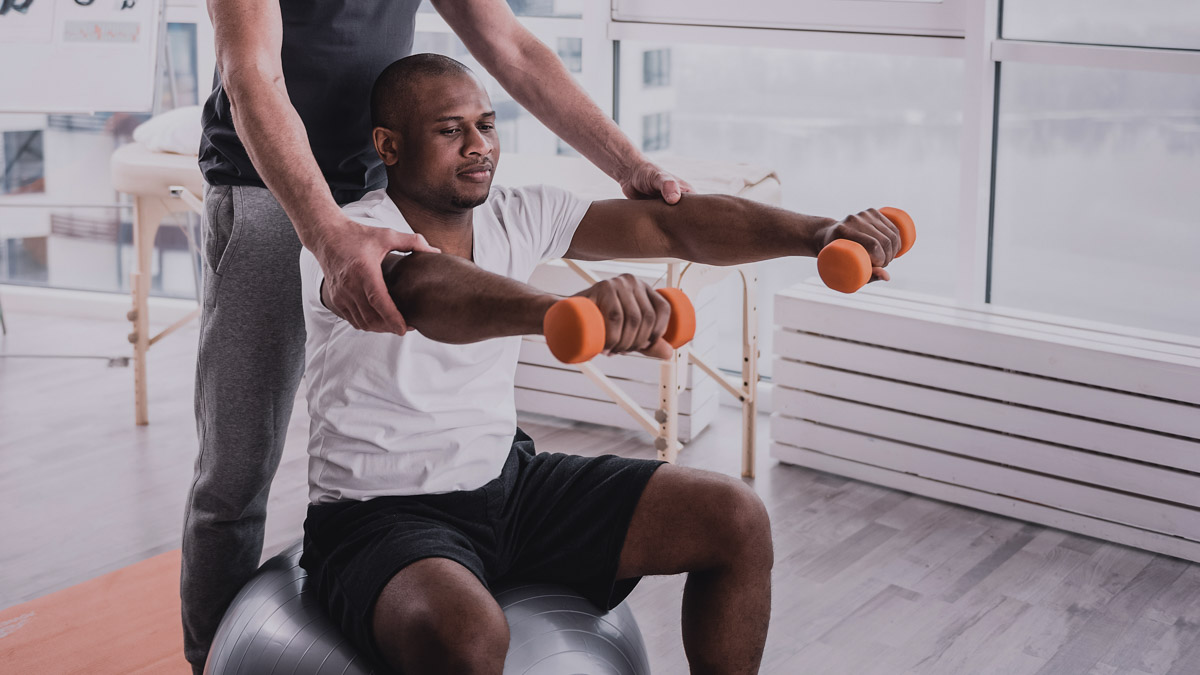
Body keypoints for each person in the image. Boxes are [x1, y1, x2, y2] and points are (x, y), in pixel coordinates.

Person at [296, 53, 903, 675]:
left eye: (488, 125)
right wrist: (561, 311)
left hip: (509, 485)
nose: (479, 147)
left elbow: (671, 229)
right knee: (469, 637)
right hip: (381, 513)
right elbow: (425, 289)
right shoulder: (350, 241)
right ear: (389, 146)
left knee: (734, 518)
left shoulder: (514, 212)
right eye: (451, 131)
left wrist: (820, 234)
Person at [181, 0, 697, 671]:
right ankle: (204, 660)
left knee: (411, 424)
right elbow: (250, 71)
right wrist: (324, 229)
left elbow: (508, 44)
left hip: (380, 200)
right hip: (265, 195)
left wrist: (626, 164)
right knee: (236, 472)